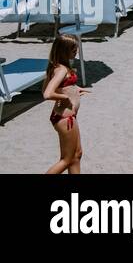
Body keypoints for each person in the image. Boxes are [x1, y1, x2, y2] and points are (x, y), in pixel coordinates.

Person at [43, 35, 86, 174]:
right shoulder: (61, 70)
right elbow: (47, 94)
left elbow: (45, 88)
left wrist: (75, 89)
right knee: (66, 160)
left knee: (77, 155)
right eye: (73, 50)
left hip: (67, 117)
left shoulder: (56, 66)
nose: (76, 52)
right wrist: (65, 97)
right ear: (64, 50)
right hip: (64, 119)